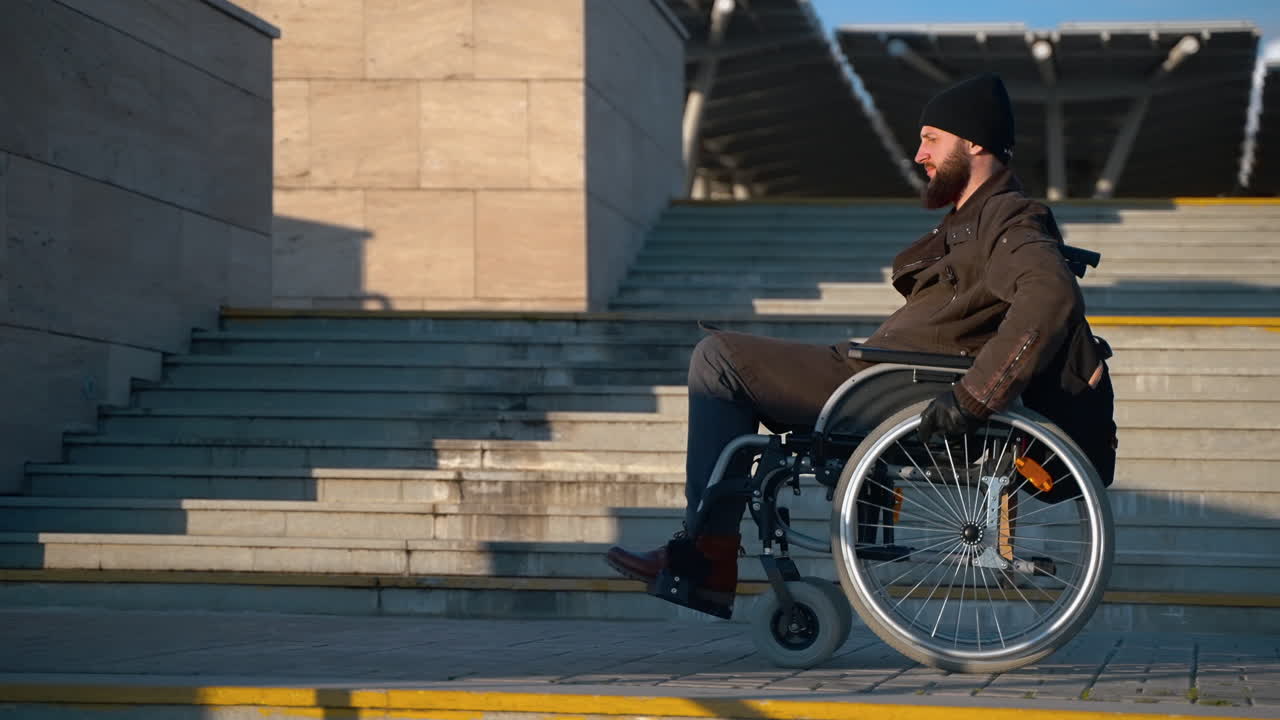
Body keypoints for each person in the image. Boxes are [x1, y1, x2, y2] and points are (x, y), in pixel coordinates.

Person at [605, 73, 1115, 617]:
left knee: (718, 359)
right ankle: (707, 554)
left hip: (897, 389)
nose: (918, 154)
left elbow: (1049, 296)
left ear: (975, 142)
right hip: (887, 378)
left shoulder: (1008, 217)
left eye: (931, 138)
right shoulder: (971, 221)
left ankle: (705, 559)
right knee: (722, 362)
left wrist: (974, 397)